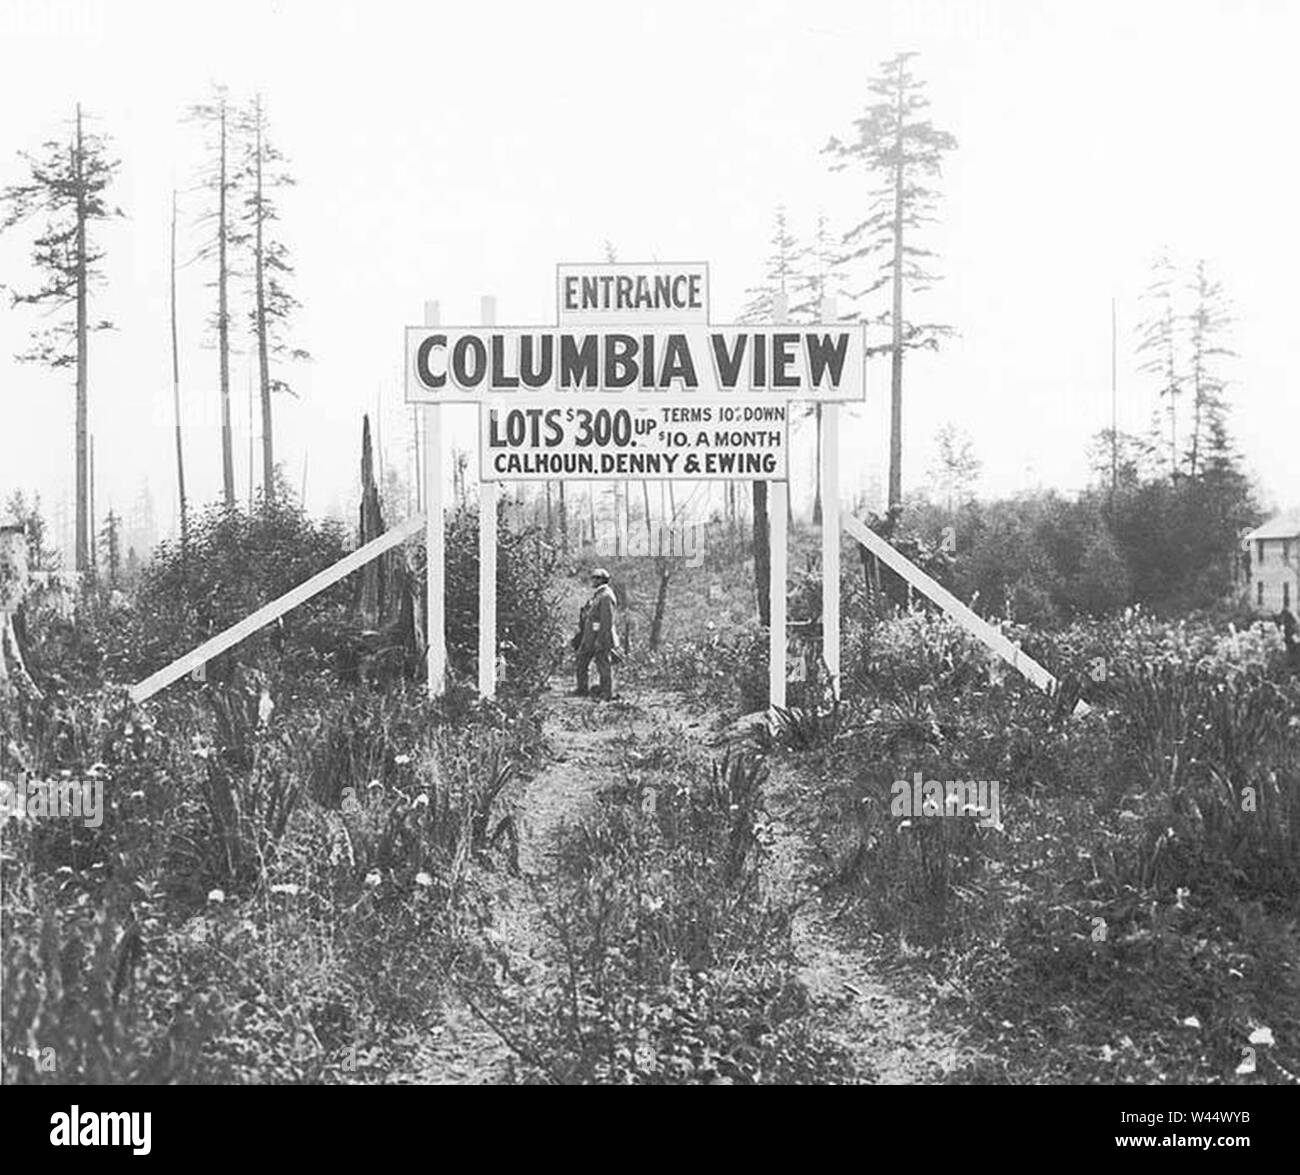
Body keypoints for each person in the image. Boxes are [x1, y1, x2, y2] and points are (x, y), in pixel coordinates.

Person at [572, 567, 620, 699]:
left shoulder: (606, 596)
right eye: (593, 577)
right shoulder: (598, 595)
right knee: (581, 661)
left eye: (596, 578)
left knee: (603, 665)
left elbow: (606, 621)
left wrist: (601, 639)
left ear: (602, 580)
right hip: (590, 637)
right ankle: (582, 689)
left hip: (600, 637)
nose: (592, 580)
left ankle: (607, 693)